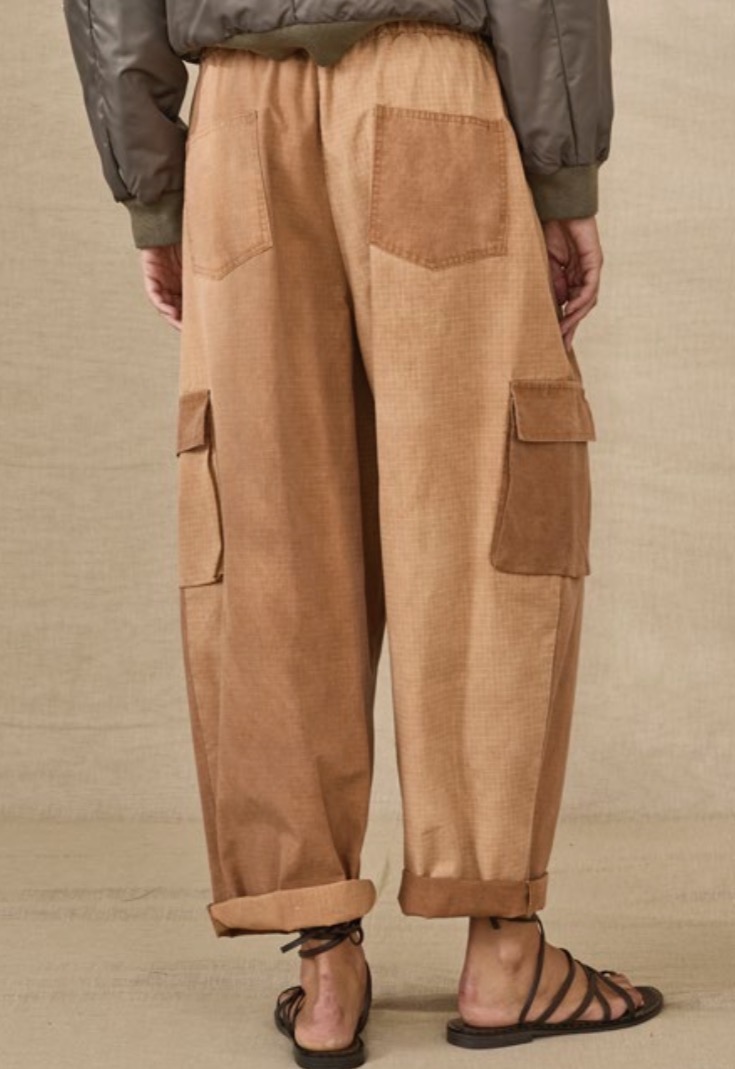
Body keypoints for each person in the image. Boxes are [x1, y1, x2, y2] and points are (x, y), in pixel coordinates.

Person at [63, 3, 664, 1065]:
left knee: (265, 535)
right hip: (432, 88)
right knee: (485, 515)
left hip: (239, 119)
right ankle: (503, 952)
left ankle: (325, 966)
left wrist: (155, 188)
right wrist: (563, 175)